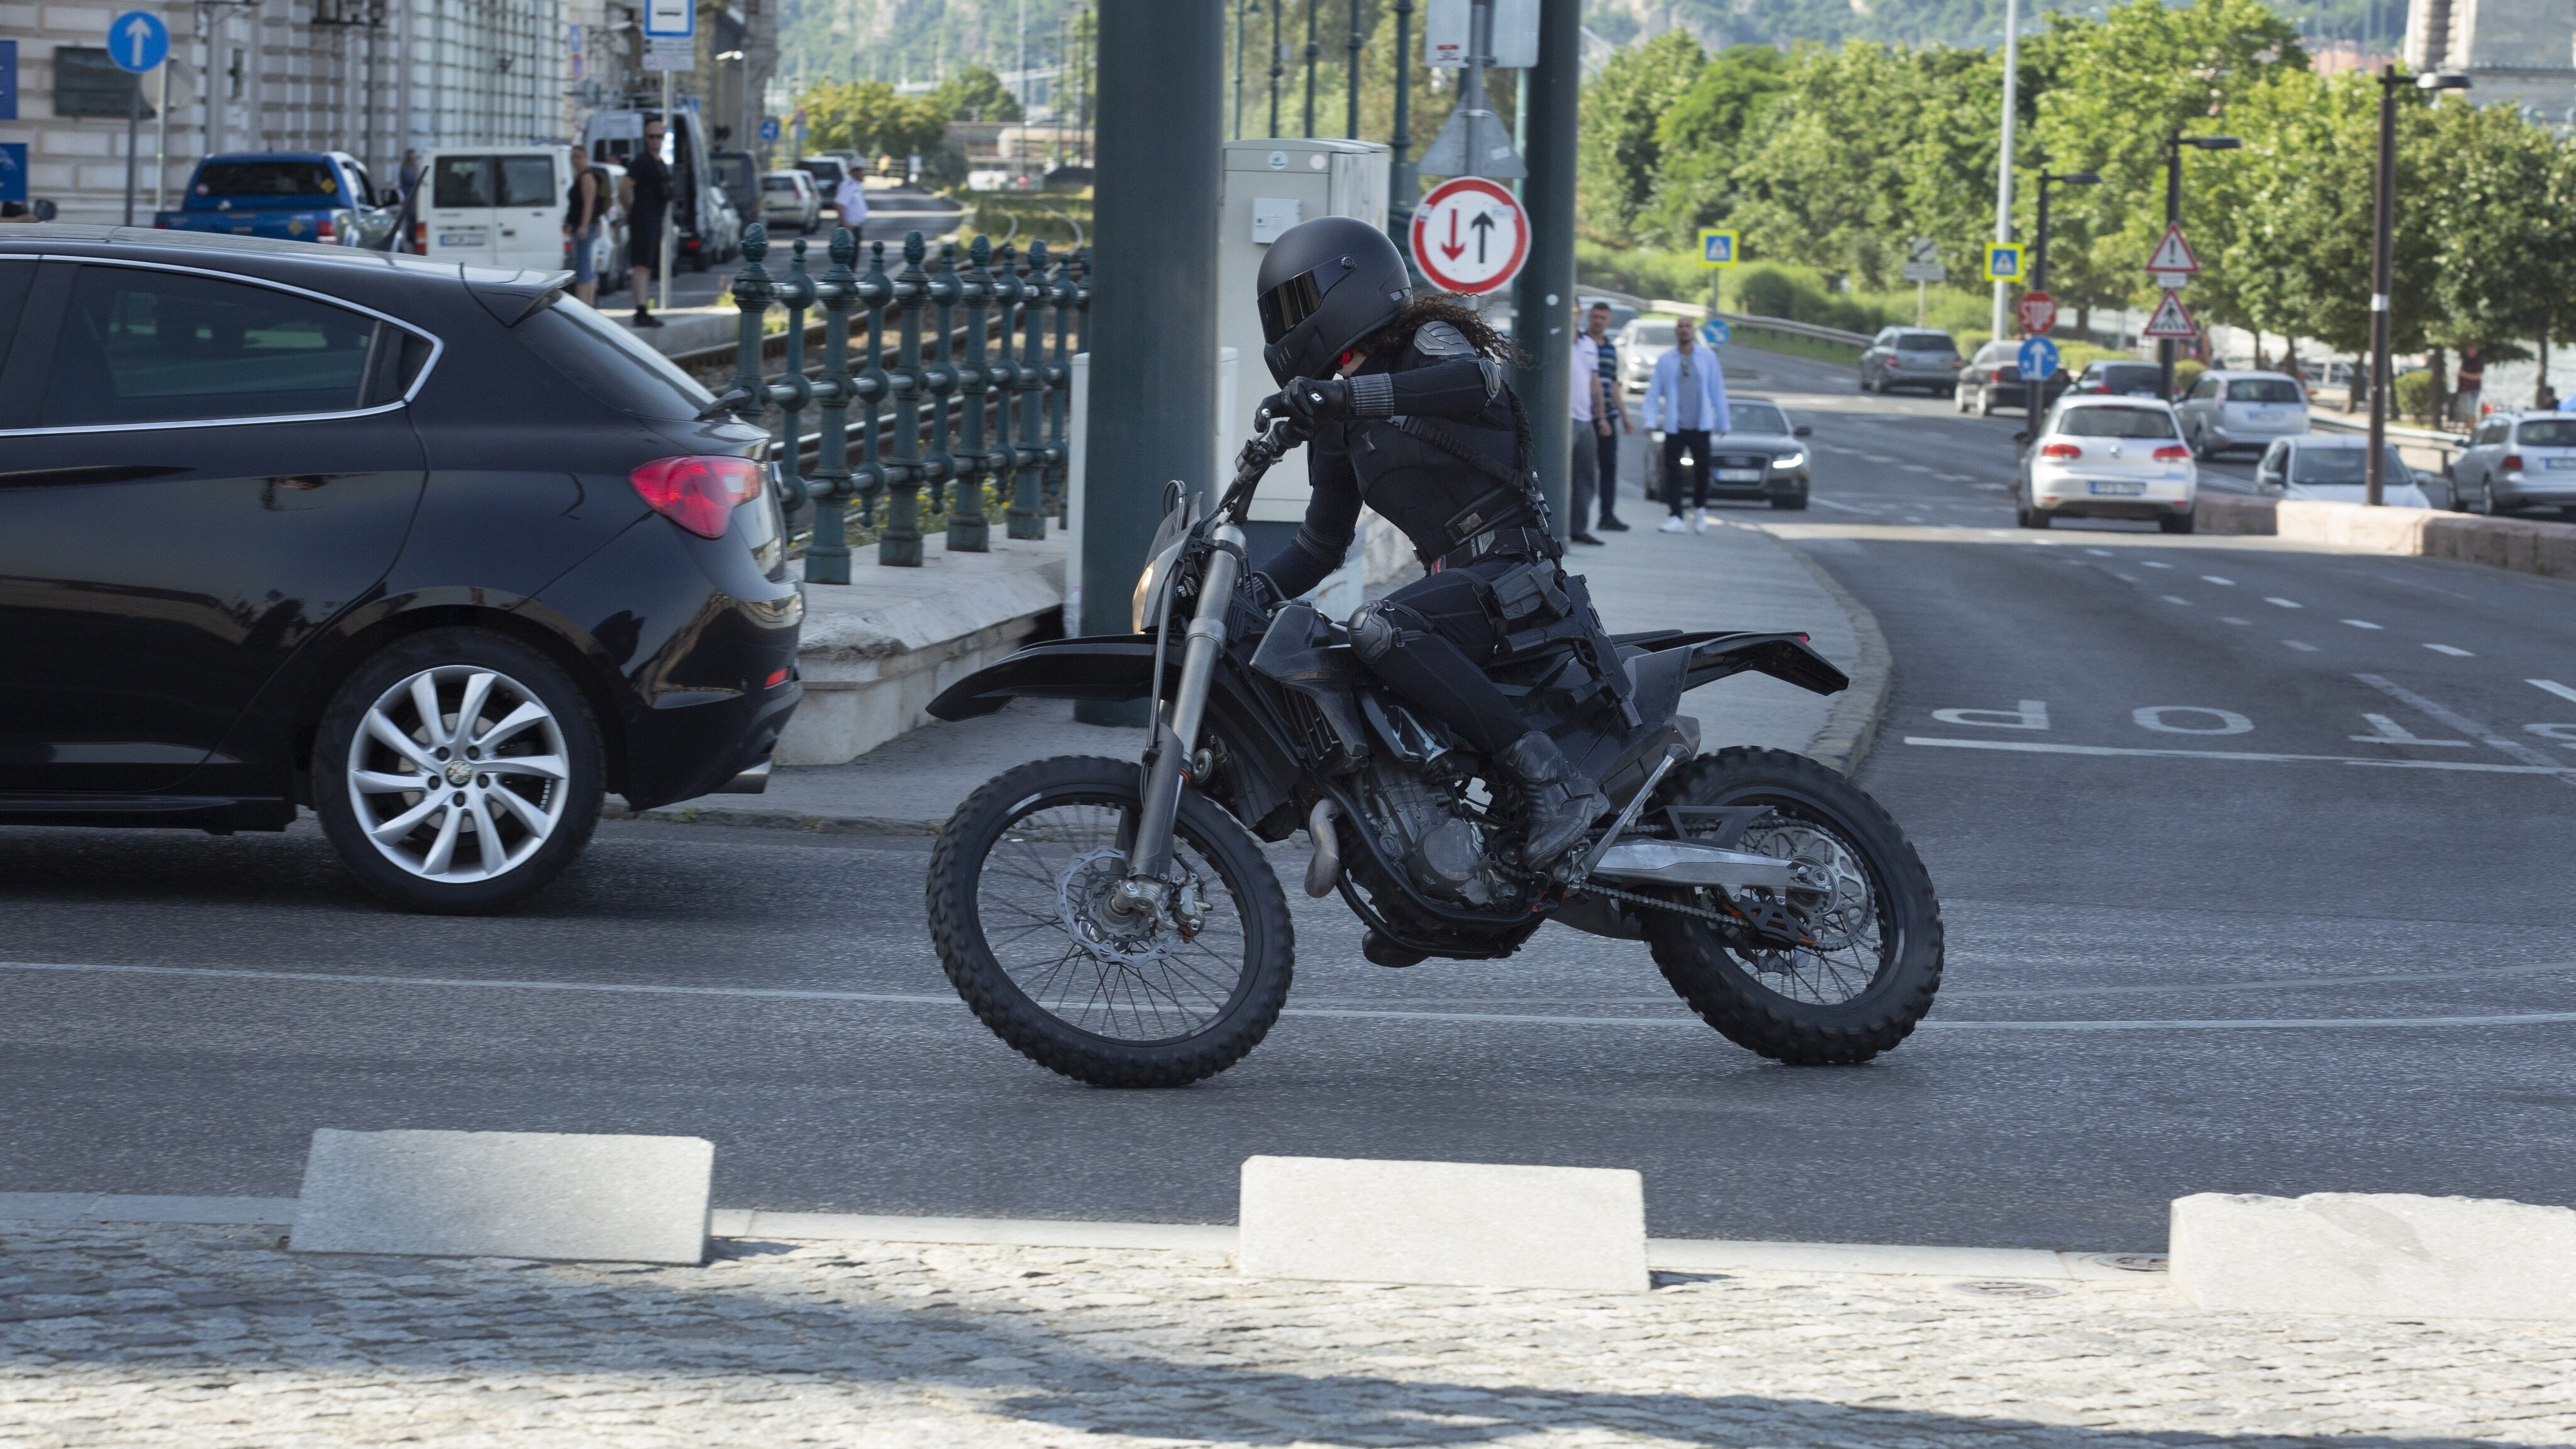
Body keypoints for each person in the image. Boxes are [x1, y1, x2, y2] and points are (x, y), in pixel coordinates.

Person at [1246, 216, 1626, 871]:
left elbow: (1477, 384)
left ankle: (1554, 786)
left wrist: (1345, 395)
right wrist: (1244, 593)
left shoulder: (1427, 340)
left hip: (1514, 575)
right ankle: (1421, 880)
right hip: (1459, 589)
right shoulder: (1342, 420)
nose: (1287, 324)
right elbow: (1317, 546)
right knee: (1339, 656)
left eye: (1297, 304)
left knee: (1382, 625)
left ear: (1350, 285)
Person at [1642, 317, 1730, 533]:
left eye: (1688, 327)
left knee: (1702, 471)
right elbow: (1653, 393)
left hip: (1700, 425)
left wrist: (1723, 421)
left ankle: (1700, 510)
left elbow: (1717, 390)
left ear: (1694, 331)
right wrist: (1650, 421)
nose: (1684, 331)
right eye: (1680, 327)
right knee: (1673, 471)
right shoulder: (1666, 360)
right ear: (1676, 331)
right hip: (1675, 425)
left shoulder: (1707, 357)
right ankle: (1675, 516)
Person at [1586, 303, 1631, 531]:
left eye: (1603, 318)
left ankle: (1607, 516)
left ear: (1609, 321)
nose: (1598, 321)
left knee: (1609, 467)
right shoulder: (1580, 344)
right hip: (1586, 415)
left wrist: (1625, 416)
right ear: (1588, 318)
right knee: (1583, 469)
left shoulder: (1611, 349)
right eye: (1595, 317)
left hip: (1609, 415)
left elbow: (1613, 384)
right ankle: (1576, 520)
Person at [622, 118, 672, 328]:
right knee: (641, 264)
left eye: (659, 136)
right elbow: (624, 187)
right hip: (643, 218)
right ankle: (640, 310)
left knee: (648, 264)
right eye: (652, 136)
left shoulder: (659, 162)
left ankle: (643, 308)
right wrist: (629, 209)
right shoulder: (642, 161)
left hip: (655, 218)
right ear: (646, 138)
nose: (656, 140)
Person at [1567, 316, 1606, 548]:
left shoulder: (1589, 345)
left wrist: (1600, 417)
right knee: (1558, 476)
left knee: (1586, 476)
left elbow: (1594, 382)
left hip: (1585, 418)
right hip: (1563, 417)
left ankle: (1579, 528)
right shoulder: (1558, 339)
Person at [563, 148, 608, 306]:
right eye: (573, 157)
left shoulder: (587, 177)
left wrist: (584, 226)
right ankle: (588, 306)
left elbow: (589, 203)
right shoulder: (580, 176)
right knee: (585, 266)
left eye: (579, 157)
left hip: (584, 227)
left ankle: (585, 306)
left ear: (586, 157)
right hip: (582, 226)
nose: (576, 160)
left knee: (583, 268)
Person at [834, 162, 869, 233]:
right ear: (853, 172)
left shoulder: (856, 185)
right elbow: (839, 204)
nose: (862, 173)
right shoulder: (848, 185)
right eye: (859, 171)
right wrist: (844, 223)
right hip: (849, 226)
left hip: (856, 225)